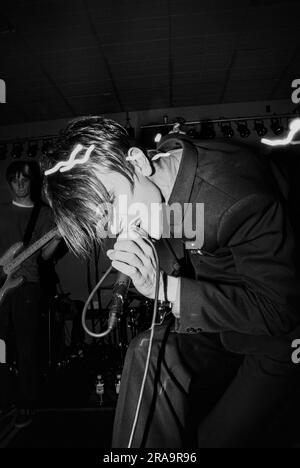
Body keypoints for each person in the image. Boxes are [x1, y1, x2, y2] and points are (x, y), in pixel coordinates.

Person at [42, 116, 299, 448]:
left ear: (136, 162)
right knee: (146, 351)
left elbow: (280, 311)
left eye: (113, 205)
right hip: (216, 326)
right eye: (102, 221)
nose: (117, 228)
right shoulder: (149, 185)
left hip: (272, 339)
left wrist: (163, 288)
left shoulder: (233, 195)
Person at [0, 161, 61, 428]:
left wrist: (58, 237)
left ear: (32, 181)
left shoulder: (45, 214)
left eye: (25, 179)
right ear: (8, 183)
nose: (20, 184)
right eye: (15, 179)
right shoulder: (1, 213)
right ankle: (4, 399)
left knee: (26, 348)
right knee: (0, 348)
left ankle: (25, 402)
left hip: (28, 285)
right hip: (2, 285)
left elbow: (45, 256)